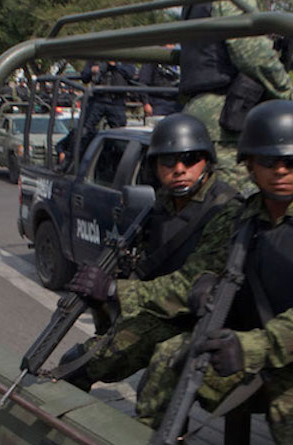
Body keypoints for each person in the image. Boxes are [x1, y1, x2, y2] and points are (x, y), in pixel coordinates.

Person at [69, 100, 293, 445]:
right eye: (269, 161)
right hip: (241, 347)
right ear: (249, 164)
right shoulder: (240, 218)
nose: (281, 170)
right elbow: (199, 278)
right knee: (167, 360)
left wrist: (250, 345)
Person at [57, 113, 238, 391]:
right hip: (166, 314)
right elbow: (139, 265)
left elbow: (190, 286)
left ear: (207, 160)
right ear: (155, 166)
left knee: (156, 389)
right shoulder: (162, 204)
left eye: (189, 159)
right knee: (78, 363)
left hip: (210, 321)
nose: (179, 168)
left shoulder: (225, 210)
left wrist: (116, 290)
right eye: (168, 160)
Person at [178, 0, 293, 189]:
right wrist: (286, 93)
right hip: (225, 119)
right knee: (234, 201)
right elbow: (252, 55)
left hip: (200, 110)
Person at [79, 60, 136, 150]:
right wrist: (92, 70)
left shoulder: (124, 57)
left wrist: (115, 65)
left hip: (117, 101)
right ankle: (78, 157)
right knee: (84, 131)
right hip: (98, 99)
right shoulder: (96, 57)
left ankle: (117, 159)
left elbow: (130, 73)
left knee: (120, 136)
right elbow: (84, 76)